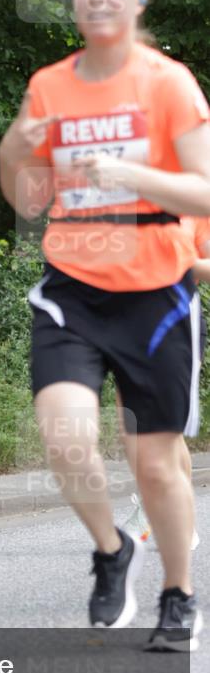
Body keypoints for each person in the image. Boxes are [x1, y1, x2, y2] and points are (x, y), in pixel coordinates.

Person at [0, 0, 210, 651]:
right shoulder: (49, 86)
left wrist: (130, 176)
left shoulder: (168, 83)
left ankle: (177, 594)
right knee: (64, 437)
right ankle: (111, 548)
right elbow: (27, 199)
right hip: (73, 287)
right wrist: (12, 148)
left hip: (156, 292)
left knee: (154, 463)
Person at [124, 214, 210, 547]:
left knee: (168, 429)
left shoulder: (193, 210)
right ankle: (150, 504)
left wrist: (173, 262)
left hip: (177, 319)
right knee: (134, 423)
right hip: (127, 321)